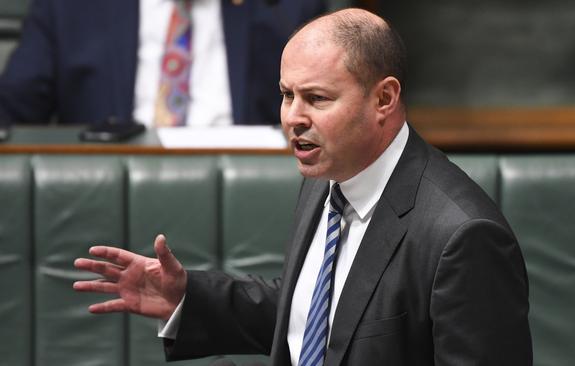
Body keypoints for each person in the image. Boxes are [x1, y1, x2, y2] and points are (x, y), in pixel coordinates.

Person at [74, 8, 532, 365]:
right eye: (287, 95)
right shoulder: (329, 175)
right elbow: (327, 314)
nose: (293, 117)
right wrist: (188, 298)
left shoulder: (464, 237)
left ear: (384, 99)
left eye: (317, 98)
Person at [0, 0, 326, 127]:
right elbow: (13, 113)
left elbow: (323, 119)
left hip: (244, 196)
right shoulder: (69, 8)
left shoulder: (286, 8)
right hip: (110, 196)